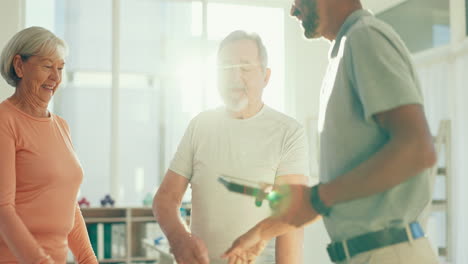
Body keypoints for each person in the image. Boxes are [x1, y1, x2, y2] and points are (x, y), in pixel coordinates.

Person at [223, 1, 439, 263]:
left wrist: (314, 198)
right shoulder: (345, 50)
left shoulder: (364, 37)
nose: (293, 11)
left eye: (297, 0)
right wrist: (262, 233)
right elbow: (340, 199)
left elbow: (417, 150)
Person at [153, 30, 309, 264]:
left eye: (245, 68)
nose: (235, 77)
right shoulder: (200, 126)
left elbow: (291, 216)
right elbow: (165, 199)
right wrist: (180, 240)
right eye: (226, 68)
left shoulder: (288, 133)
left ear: (265, 77)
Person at [0, 26, 97, 263]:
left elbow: (68, 205)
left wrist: (88, 259)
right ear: (19, 66)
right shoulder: (5, 121)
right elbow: (2, 209)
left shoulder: (61, 126)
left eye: (61, 68)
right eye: (47, 66)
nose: (55, 77)